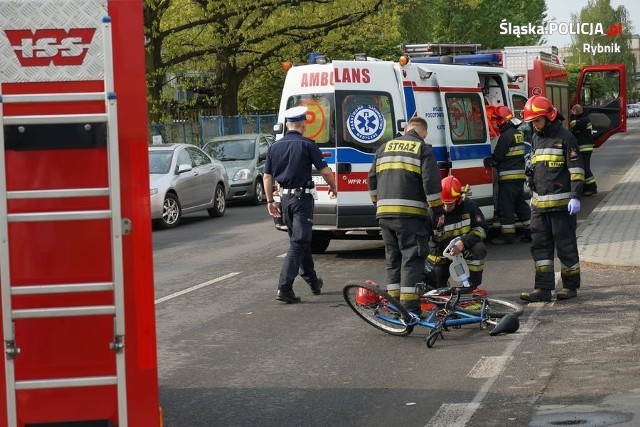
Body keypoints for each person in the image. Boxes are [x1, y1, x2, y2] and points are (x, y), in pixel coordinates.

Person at [367, 116, 444, 314]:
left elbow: (372, 180)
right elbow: (431, 184)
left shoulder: (384, 148)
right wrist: (437, 212)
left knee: (393, 260)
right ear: (423, 132)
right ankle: (410, 309)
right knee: (412, 259)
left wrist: (379, 205)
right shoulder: (422, 148)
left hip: (384, 215)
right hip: (410, 216)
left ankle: (394, 306)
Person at [263, 106, 338, 304]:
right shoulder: (307, 145)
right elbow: (325, 171)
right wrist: (334, 187)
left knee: (300, 240)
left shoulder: (274, 147)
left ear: (287, 125)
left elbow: (267, 176)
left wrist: (270, 200)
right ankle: (284, 287)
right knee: (298, 242)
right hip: (301, 199)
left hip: (284, 200)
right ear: (304, 124)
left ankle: (313, 281)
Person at [519, 95, 584, 302]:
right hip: (539, 206)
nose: (534, 125)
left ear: (549, 116)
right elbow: (535, 170)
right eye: (531, 122)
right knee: (540, 248)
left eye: (537, 121)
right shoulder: (536, 138)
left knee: (565, 247)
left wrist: (575, 197)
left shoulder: (566, 138)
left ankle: (570, 287)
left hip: (562, 206)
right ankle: (543, 289)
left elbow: (576, 171)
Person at [428, 176, 487, 289]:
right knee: (435, 289)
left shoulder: (469, 206)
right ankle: (439, 284)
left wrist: (463, 242)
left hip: (463, 252)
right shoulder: (431, 211)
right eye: (443, 203)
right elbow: (421, 239)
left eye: (450, 203)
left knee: (479, 248)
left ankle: (471, 287)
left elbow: (482, 228)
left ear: (459, 199)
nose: (446, 207)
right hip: (440, 256)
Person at [488, 106, 532, 244]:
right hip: (518, 177)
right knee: (520, 205)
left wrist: (491, 160)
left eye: (497, 121)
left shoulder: (506, 136)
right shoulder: (517, 133)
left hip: (507, 177)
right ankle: (532, 232)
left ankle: (508, 236)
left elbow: (498, 156)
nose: (495, 123)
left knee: (505, 206)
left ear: (502, 121)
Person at [570, 104, 597, 196]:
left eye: (573, 111)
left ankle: (592, 188)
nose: (571, 112)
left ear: (576, 111)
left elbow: (573, 125)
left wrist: (572, 116)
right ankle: (587, 187)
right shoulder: (583, 118)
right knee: (584, 168)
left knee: (585, 168)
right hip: (583, 147)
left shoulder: (583, 120)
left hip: (584, 148)